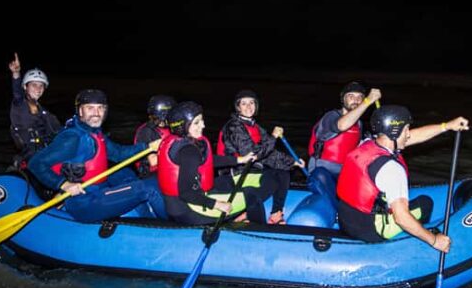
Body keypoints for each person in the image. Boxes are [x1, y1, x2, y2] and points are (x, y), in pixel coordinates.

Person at [336, 104, 470, 251]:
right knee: (425, 204)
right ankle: (412, 244)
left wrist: (446, 126)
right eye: (406, 129)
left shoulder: (367, 143)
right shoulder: (392, 170)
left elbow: (414, 136)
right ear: (394, 132)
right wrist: (434, 240)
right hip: (370, 229)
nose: (408, 134)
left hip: (346, 218)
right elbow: (401, 218)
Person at [27, 89, 165, 222]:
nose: (96, 113)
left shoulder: (95, 133)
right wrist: (64, 184)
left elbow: (118, 153)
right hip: (84, 202)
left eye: (100, 108)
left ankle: (144, 214)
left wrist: (148, 147)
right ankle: (169, 226)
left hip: (98, 188)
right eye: (90, 108)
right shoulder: (72, 138)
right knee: (148, 188)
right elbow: (35, 163)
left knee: (124, 173)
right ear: (80, 111)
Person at [157, 101, 267, 225]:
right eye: (196, 122)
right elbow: (186, 193)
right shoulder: (189, 151)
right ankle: (260, 229)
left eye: (201, 120)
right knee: (252, 194)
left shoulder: (180, 141)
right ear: (182, 126)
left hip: (179, 206)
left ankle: (239, 218)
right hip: (190, 211)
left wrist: (240, 160)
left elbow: (207, 160)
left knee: (226, 181)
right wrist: (217, 204)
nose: (203, 125)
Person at [218, 89, 305, 224]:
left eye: (252, 103)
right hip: (235, 173)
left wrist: (292, 162)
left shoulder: (256, 127)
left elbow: (269, 153)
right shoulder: (233, 127)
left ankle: (276, 214)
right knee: (273, 177)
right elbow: (252, 153)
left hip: (252, 169)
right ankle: (244, 212)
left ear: (256, 106)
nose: (248, 107)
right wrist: (273, 137)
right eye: (244, 103)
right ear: (238, 107)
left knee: (283, 172)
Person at [306, 81, 382, 204]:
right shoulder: (331, 116)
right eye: (351, 96)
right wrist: (367, 101)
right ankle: (336, 208)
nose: (356, 100)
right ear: (343, 99)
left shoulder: (359, 124)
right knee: (321, 176)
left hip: (344, 172)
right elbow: (341, 125)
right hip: (322, 171)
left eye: (360, 97)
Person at [8, 52, 61, 165]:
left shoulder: (45, 113)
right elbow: (17, 93)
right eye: (34, 85)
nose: (38, 88)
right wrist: (16, 74)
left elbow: (59, 131)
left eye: (41, 85)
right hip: (29, 159)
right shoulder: (20, 104)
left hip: (47, 155)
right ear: (25, 87)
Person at [133, 95, 176, 178]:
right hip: (151, 174)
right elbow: (153, 161)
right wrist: (177, 151)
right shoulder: (146, 131)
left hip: (169, 169)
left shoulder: (172, 128)